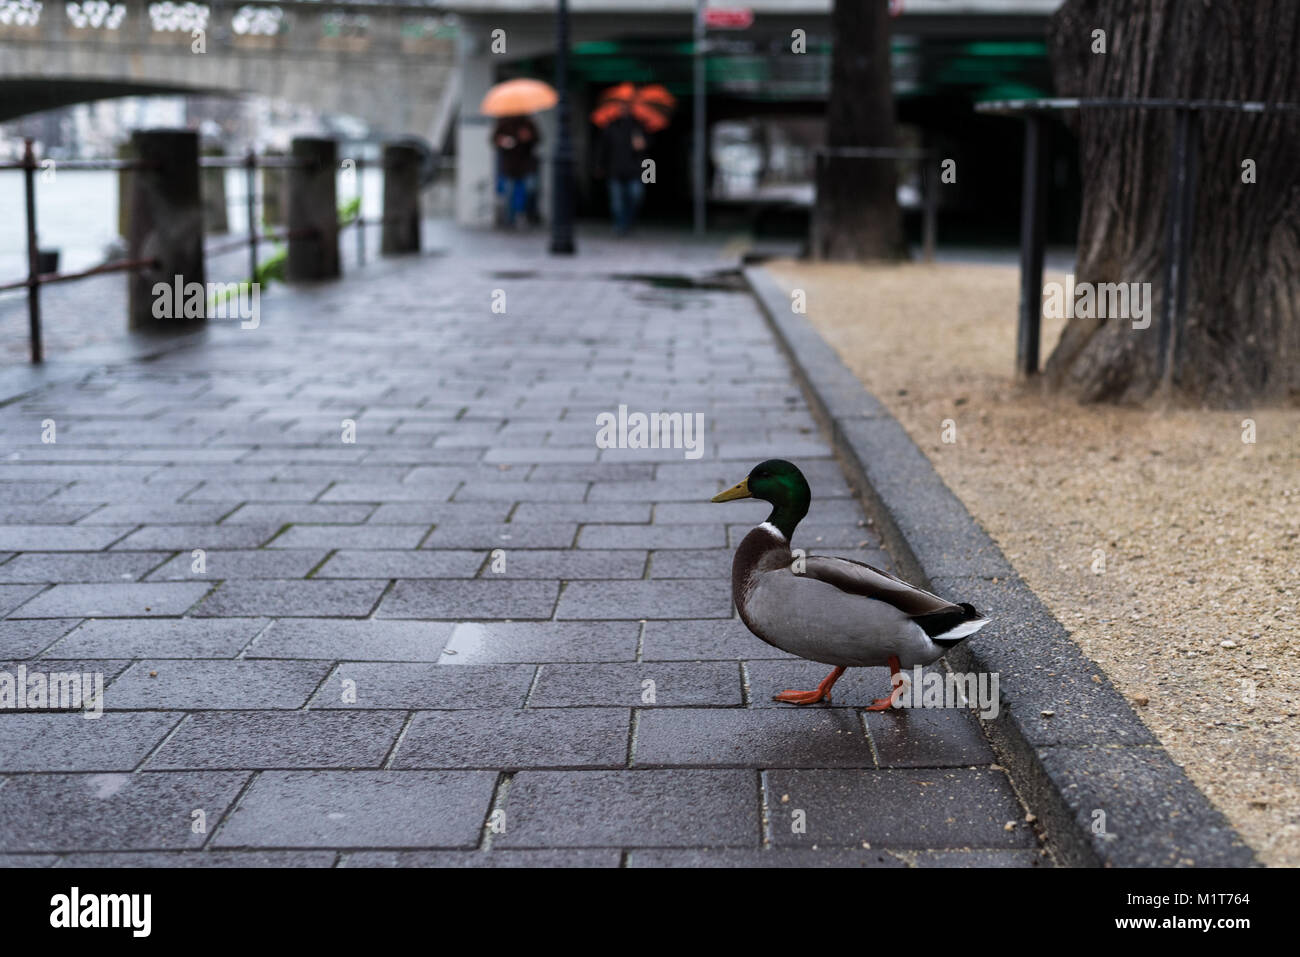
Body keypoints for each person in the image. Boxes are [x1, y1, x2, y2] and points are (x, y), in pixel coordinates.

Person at [595, 113, 649, 236]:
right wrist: (600, 166)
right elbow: (603, 149)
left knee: (635, 196)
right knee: (617, 202)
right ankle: (620, 225)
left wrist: (642, 145)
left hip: (635, 171)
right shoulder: (610, 128)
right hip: (615, 171)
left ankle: (629, 222)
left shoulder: (639, 127)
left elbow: (647, 154)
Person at [492, 115, 540, 228]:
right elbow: (494, 139)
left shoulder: (528, 123)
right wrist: (502, 141)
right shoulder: (503, 122)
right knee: (509, 192)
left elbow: (537, 139)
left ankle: (524, 215)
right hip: (509, 165)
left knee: (528, 190)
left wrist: (529, 137)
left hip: (525, 165)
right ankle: (510, 219)